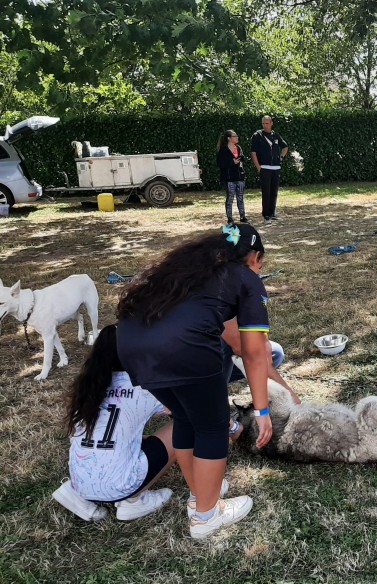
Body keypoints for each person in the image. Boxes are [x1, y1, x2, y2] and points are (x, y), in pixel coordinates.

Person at [116, 222, 273, 539]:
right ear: (254, 256)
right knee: (213, 427)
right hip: (186, 350)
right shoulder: (246, 279)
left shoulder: (185, 271)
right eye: (260, 263)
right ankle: (206, 515)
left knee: (187, 418)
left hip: (131, 348)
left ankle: (199, 494)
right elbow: (253, 352)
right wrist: (263, 410)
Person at [52, 325, 176, 523]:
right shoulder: (144, 386)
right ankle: (134, 501)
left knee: (119, 439)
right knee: (184, 428)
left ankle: (76, 494)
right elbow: (183, 410)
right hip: (121, 485)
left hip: (80, 482)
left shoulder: (85, 387)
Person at [250, 116, 288, 224]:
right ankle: (266, 215)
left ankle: (272, 213)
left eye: (267, 123)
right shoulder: (257, 136)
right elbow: (253, 152)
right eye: (263, 124)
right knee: (266, 192)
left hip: (276, 167)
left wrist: (280, 157)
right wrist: (258, 166)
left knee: (274, 191)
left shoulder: (275, 135)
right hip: (265, 167)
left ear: (271, 123)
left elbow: (285, 147)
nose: (265, 125)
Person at [217, 130, 248, 224]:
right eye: (235, 136)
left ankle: (242, 216)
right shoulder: (223, 150)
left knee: (240, 197)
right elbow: (220, 163)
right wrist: (232, 162)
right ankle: (230, 218)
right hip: (229, 178)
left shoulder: (238, 147)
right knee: (230, 198)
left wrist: (242, 158)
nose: (237, 137)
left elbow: (243, 157)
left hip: (239, 176)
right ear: (229, 138)